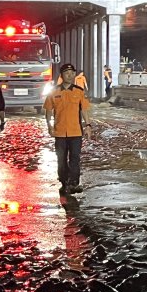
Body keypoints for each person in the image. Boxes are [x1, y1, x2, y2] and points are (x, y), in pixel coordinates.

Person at [44, 63, 92, 194]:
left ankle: (74, 183)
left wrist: (88, 126)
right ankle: (64, 181)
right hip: (60, 132)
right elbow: (48, 110)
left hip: (75, 131)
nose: (70, 76)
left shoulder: (79, 91)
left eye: (72, 73)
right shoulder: (54, 92)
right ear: (62, 75)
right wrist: (49, 125)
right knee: (61, 158)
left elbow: (84, 110)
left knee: (75, 158)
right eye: (67, 73)